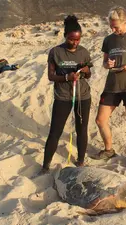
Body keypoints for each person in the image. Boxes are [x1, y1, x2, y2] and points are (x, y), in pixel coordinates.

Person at [41, 15, 92, 173]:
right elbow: (51, 76)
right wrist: (66, 77)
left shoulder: (84, 52)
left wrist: (84, 71)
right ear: (65, 36)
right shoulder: (55, 52)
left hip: (82, 96)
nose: (75, 43)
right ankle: (45, 166)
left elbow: (89, 74)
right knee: (55, 131)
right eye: (71, 39)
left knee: (82, 129)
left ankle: (81, 161)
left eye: (78, 39)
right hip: (62, 97)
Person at [95, 6, 126, 167]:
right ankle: (109, 150)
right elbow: (104, 63)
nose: (113, 29)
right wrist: (107, 63)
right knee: (100, 119)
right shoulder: (108, 40)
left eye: (116, 26)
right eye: (111, 25)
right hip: (112, 84)